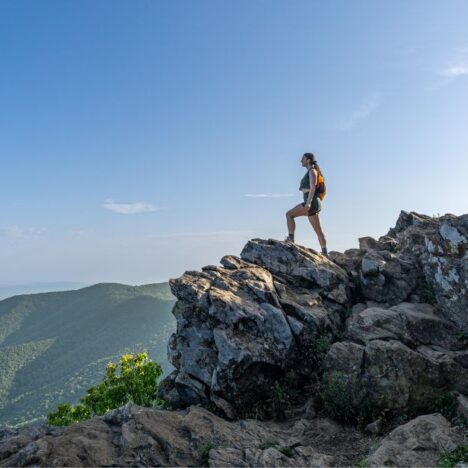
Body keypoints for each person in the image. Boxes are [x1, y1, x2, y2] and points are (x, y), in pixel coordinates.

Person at [285, 152, 328, 256]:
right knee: (318, 230)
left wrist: (308, 203)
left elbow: (313, 187)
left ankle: (291, 239)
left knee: (289, 214)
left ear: (308, 160)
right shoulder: (311, 171)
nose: (301, 161)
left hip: (311, 202)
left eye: (303, 159)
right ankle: (325, 253)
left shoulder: (312, 171)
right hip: (313, 202)